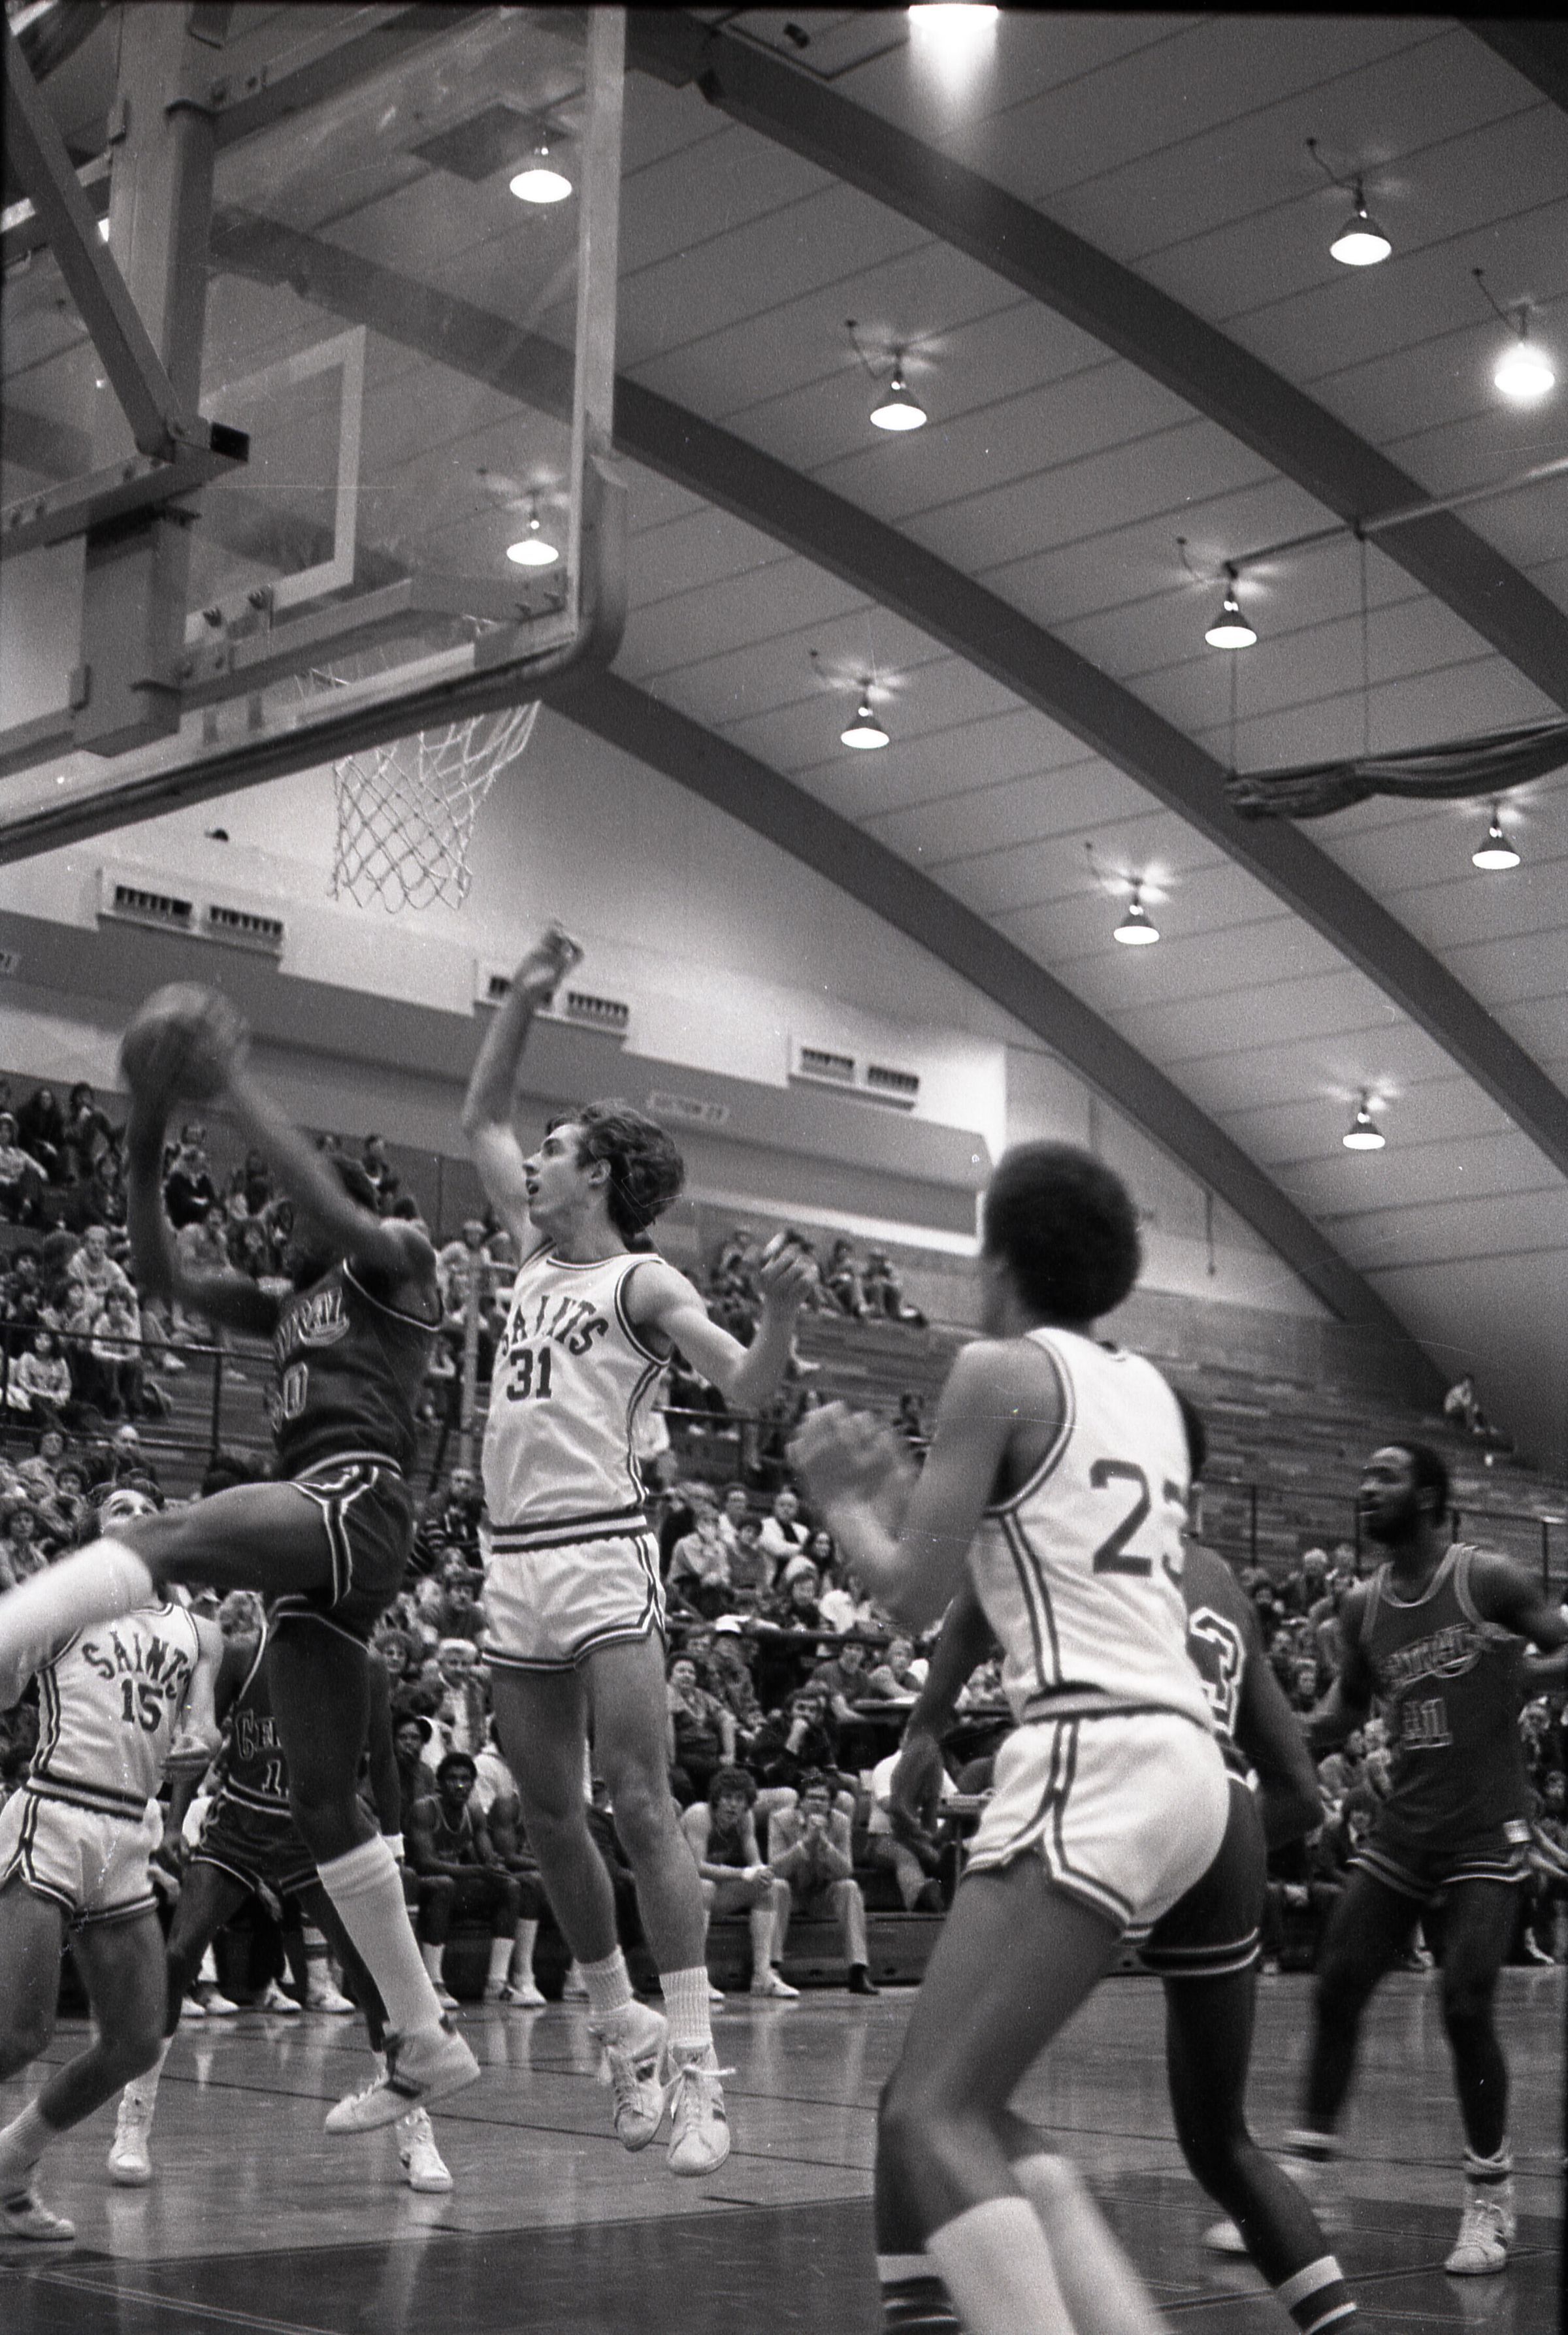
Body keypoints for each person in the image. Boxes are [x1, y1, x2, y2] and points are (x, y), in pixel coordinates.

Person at [0, 991, 479, 2134]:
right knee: (321, 1797)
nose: (285, 1227)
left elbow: (334, 1208)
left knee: (158, 1536)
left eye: (305, 1211)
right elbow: (163, 1275)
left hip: (356, 1497)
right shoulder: (290, 1301)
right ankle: (423, 2035)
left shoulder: (397, 1262)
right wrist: (149, 1132)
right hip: (327, 1555)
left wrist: (232, 1086)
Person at [791, 1140, 1230, 2335]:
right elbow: (1028, 1548)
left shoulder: (996, 1370)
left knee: (931, 2113)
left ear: (998, 1256)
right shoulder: (1147, 1391)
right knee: (948, 2104)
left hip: (1093, 1745)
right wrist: (911, 1495)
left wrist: (842, 1495)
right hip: (1180, 1762)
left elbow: (909, 1593)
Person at [461, 926, 816, 2178]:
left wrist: (778, 1311)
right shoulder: (529, 1251)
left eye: (557, 1148)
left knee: (642, 1798)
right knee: (550, 1811)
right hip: (512, 1561)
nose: (534, 1158)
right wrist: (524, 993)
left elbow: (749, 1387)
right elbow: (481, 1111)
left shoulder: (645, 1282)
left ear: (599, 1172)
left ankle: (703, 2062)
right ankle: (624, 2027)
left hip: (602, 1551)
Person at [892, 1392, 1356, 2335]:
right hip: (1222, 1813)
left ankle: (938, 2306)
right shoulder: (1220, 1575)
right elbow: (1304, 1795)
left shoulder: (1070, 1511)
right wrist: (1206, 1852)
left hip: (1115, 1796)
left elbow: (964, 1594)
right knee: (1223, 2144)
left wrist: (926, 1725)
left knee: (934, 2098)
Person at [1282, 1440, 1568, 2278]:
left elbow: (1563, 1649)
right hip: (1407, 1826)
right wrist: (1274, 1724)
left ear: (1434, 1497)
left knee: (1466, 2000)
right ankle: (1306, 2185)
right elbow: (1344, 1712)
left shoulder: (1488, 1578)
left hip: (1486, 1828)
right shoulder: (1360, 1607)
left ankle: (1491, 2194)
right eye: (1364, 1476)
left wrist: (1524, 1680)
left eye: (1387, 1476)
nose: (1367, 1487)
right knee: (1337, 1981)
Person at [109, 1619, 452, 2195]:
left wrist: (393, 1846)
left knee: (369, 1975)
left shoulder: (364, 1664)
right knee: (178, 1956)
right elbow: (199, 1743)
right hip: (240, 1824)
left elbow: (383, 1761)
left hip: (319, 1831)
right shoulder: (245, 1655)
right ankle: (134, 2116)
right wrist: (174, 1822)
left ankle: (415, 2131)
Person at [0, 1588, 223, 2240]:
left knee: (136, 2041)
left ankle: (9, 2164)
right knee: (19, 2034)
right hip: (54, 1814)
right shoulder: (69, 1605)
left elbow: (204, 1725)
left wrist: (201, 1739)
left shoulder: (199, 1631)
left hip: (128, 1830)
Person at [679, 1766, 794, 2000]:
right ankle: (694, 1979)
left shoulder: (745, 1819)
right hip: (672, 1894)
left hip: (705, 1896)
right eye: (727, 1797)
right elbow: (695, 1868)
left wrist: (763, 1873)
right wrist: (743, 1874)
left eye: (739, 1799)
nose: (733, 1805)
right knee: (704, 1886)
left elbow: (756, 1864)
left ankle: (763, 1977)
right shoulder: (699, 1815)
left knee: (768, 1888)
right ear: (716, 1798)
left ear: (747, 1803)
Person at [767, 1772, 877, 1994]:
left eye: (823, 1799)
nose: (817, 1803)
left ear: (831, 1804)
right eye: (812, 1798)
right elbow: (775, 1869)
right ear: (801, 1801)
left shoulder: (840, 1822)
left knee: (850, 1887)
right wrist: (805, 1844)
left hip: (822, 1894)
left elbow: (846, 1870)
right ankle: (771, 1968)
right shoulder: (780, 1820)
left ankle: (858, 1970)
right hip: (792, 1895)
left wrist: (826, 1846)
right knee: (777, 1886)